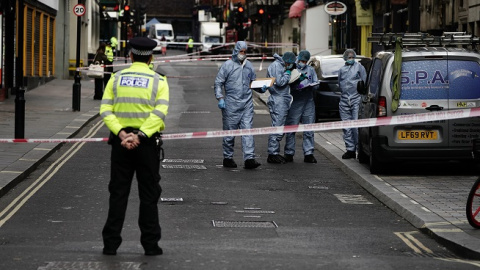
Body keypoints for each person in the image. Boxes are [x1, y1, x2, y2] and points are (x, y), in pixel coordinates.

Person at [100, 36, 169, 256]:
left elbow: (105, 110)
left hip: (120, 144)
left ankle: (110, 244)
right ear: (150, 57)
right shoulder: (159, 80)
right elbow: (160, 113)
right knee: (149, 194)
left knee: (118, 193)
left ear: (130, 55)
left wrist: (122, 134)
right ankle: (150, 245)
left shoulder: (117, 77)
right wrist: (140, 135)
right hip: (146, 144)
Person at [214, 41, 261, 169]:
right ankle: (228, 157)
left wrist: (260, 88)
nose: (243, 54)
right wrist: (220, 98)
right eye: (241, 51)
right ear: (236, 51)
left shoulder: (249, 65)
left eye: (245, 52)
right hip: (231, 104)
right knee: (229, 133)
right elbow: (218, 82)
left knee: (248, 132)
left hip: (246, 104)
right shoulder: (227, 66)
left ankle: (249, 158)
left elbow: (253, 82)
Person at [284, 50, 319, 163]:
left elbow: (316, 83)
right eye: (301, 60)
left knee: (309, 128)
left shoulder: (311, 70)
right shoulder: (293, 69)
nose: (302, 62)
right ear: (297, 59)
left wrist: (313, 86)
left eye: (304, 61)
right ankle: (289, 153)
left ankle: (308, 153)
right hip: (296, 101)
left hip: (308, 101)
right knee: (291, 128)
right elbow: (287, 83)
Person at [265, 52, 296, 164]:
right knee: (277, 126)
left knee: (279, 126)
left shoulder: (280, 65)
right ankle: (272, 154)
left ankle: (274, 152)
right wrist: (288, 74)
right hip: (278, 99)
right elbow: (280, 82)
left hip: (282, 99)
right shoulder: (276, 66)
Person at [338, 49, 367, 159]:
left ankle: (360, 150)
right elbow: (340, 83)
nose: (350, 59)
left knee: (356, 126)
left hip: (356, 98)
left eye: (352, 57)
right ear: (345, 58)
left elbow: (364, 82)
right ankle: (350, 149)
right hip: (345, 99)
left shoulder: (359, 67)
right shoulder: (341, 70)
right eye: (348, 57)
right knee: (346, 126)